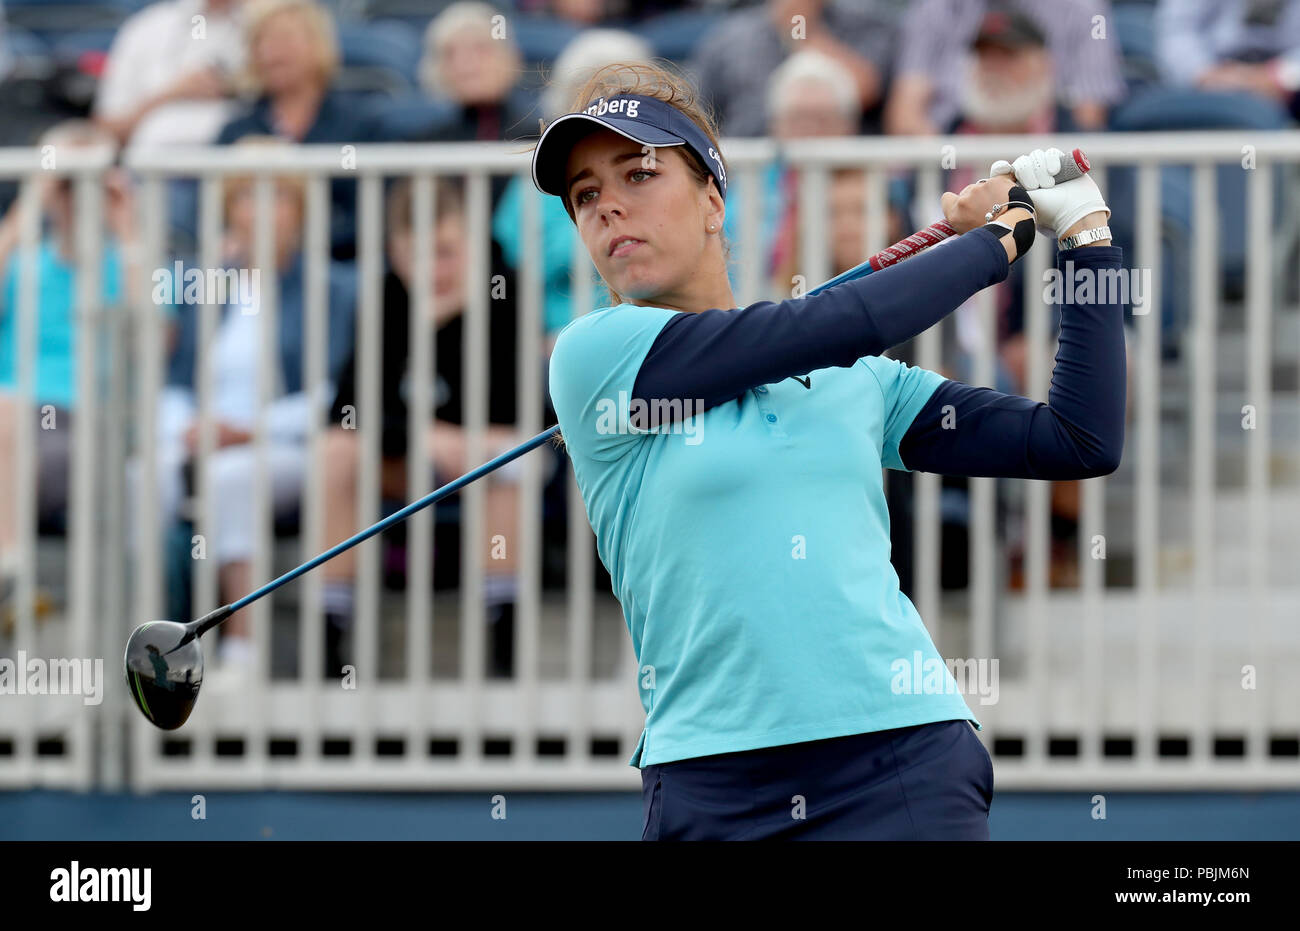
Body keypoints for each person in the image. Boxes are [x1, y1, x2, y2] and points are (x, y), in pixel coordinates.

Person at [532, 62, 1124, 840]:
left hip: (902, 761)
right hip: (713, 782)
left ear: (714, 200)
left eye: (638, 173)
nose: (606, 204)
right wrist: (997, 241)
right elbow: (836, 326)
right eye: (583, 195)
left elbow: (1077, 439)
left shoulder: (859, 382)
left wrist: (1086, 238)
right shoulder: (594, 356)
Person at [155, 137, 357, 676]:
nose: (263, 211)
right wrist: (184, 431)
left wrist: (246, 431)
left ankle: (240, 651)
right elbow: (172, 383)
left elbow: (332, 393)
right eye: (247, 196)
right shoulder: (203, 284)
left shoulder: (333, 286)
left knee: (233, 475)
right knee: (141, 477)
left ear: (301, 211)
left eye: (279, 197)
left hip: (287, 446)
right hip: (199, 441)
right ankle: (148, 646)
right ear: (228, 209)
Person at [321, 177, 521, 678]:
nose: (435, 270)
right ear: (394, 252)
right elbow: (348, 409)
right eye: (419, 255)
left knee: (509, 460)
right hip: (406, 460)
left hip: (487, 456)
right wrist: (421, 432)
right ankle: (329, 642)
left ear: (473, 240)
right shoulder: (389, 296)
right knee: (335, 453)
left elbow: (523, 407)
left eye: (448, 251)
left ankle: (503, 649)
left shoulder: (504, 289)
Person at [0, 121, 139, 629]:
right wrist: (32, 201)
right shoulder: (21, 261)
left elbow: (153, 337)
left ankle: (11, 569)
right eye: (67, 185)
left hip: (86, 423)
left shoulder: (123, 262)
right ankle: (11, 568)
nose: (77, 198)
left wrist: (127, 228)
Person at [217, 0, 375, 259]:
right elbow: (214, 215)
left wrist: (295, 245)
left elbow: (366, 213)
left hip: (338, 268)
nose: (271, 52)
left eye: (284, 39)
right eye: (261, 41)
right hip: (252, 272)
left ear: (317, 46)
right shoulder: (235, 133)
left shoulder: (358, 126)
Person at [884, 0, 1126, 136]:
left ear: (1043, 65)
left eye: (1008, 56)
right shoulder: (936, 8)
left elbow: (1087, 120)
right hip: (956, 155)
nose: (995, 68)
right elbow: (905, 116)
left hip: (1045, 154)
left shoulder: (1082, 9)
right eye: (985, 56)